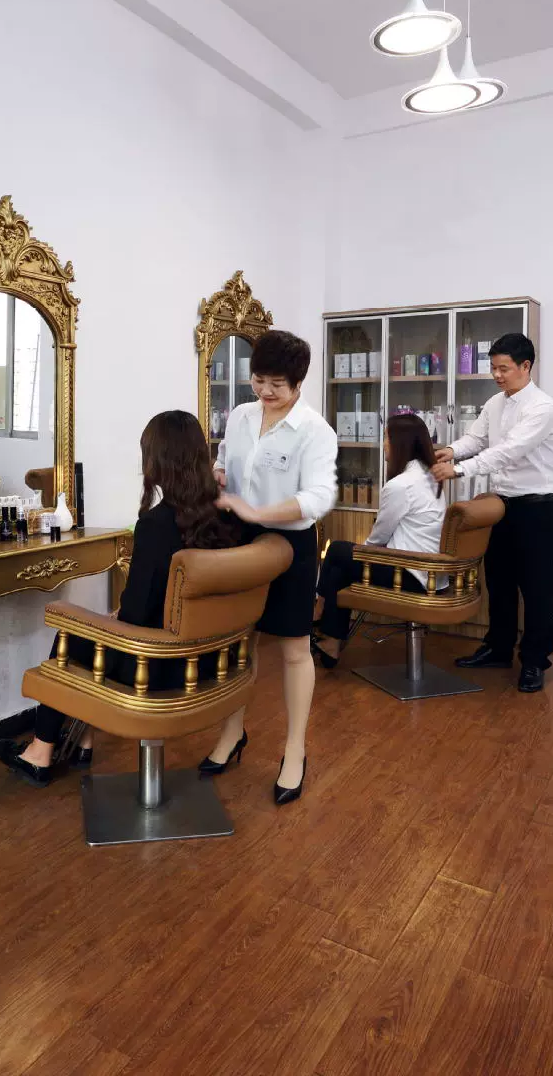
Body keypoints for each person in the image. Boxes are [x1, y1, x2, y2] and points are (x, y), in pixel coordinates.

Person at [0, 410, 243, 786]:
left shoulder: (156, 525)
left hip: (161, 667)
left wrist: (114, 618)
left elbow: (137, 615)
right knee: (96, 634)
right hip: (212, 661)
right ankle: (84, 742)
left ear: (157, 462)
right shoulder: (226, 518)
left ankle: (40, 753)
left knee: (70, 635)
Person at [208, 329, 337, 805]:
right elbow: (226, 458)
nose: (264, 391)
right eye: (258, 380)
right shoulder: (241, 416)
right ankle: (232, 733)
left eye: (276, 385)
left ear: (298, 383)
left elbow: (318, 497)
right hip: (242, 542)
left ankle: (295, 750)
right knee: (241, 643)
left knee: (295, 649)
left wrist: (258, 511)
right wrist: (220, 474)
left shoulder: (315, 431)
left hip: (290, 545)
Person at [432, 332, 553, 693]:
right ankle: (499, 648)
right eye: (494, 368)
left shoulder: (542, 407)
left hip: (537, 509)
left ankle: (534, 660)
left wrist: (460, 470)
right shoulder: (495, 403)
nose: (497, 375)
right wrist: (452, 451)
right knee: (499, 581)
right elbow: (477, 439)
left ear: (525, 366)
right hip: (500, 506)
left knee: (536, 587)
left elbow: (508, 451)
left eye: (503, 368)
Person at [309, 413, 444, 668]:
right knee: (338, 569)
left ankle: (319, 609)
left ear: (400, 443)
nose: (384, 444)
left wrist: (361, 550)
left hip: (410, 574)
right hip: (429, 572)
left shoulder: (402, 485)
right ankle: (330, 643)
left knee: (337, 550)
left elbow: (377, 539)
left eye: (386, 438)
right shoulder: (429, 476)